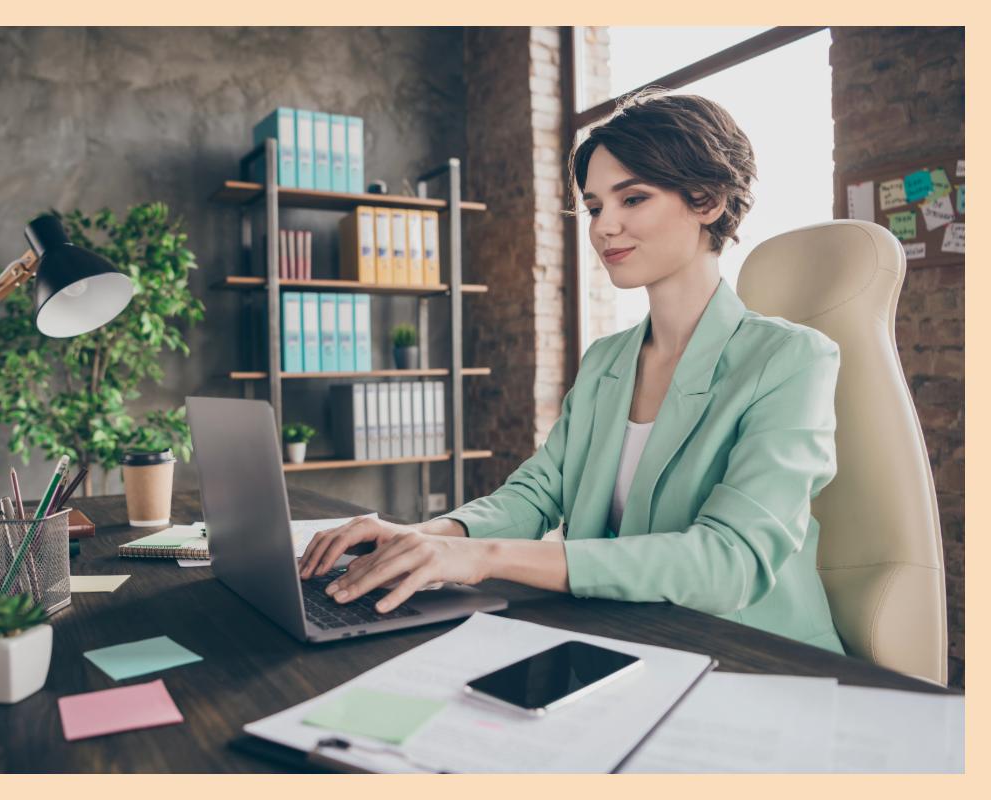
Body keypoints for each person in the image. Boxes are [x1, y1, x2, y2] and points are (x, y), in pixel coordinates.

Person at [299, 89, 845, 654]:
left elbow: (728, 562)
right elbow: (535, 496)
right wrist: (424, 536)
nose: (604, 227)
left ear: (706, 199)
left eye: (632, 198)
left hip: (754, 657)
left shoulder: (791, 359)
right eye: (595, 207)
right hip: (627, 639)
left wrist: (481, 557)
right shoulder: (607, 360)